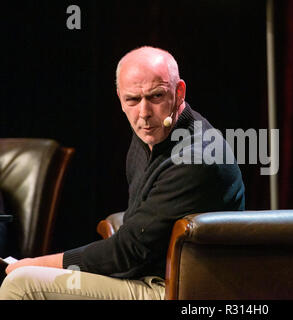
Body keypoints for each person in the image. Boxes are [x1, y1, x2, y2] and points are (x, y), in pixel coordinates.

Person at [0, 46, 245, 300]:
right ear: (120, 98)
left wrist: (32, 263)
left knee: (21, 283)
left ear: (179, 92)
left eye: (156, 96)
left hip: (177, 290)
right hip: (144, 275)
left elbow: (128, 251)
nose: (144, 112)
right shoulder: (150, 132)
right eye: (133, 100)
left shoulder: (197, 158)